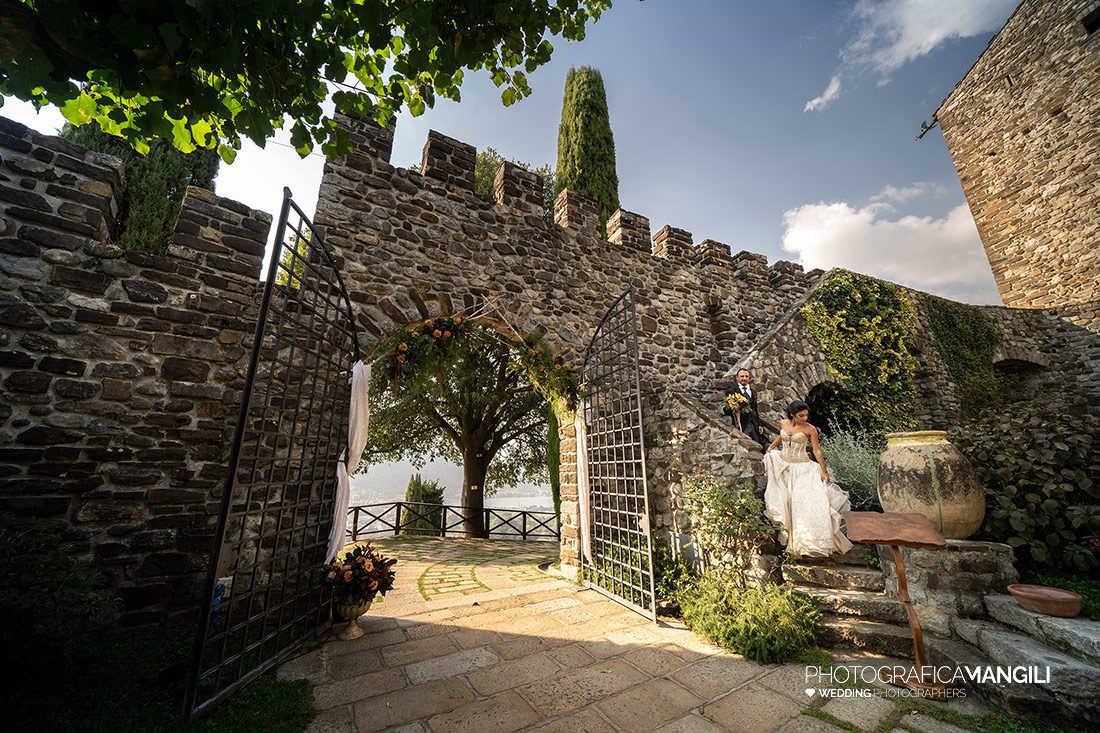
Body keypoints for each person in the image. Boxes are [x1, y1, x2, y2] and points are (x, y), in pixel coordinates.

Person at [763, 400, 853, 556]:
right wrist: (771, 447)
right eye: (801, 415)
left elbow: (817, 451)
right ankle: (788, 538)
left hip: (802, 468)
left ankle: (804, 543)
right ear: (792, 414)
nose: (805, 418)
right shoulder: (783, 423)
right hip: (784, 465)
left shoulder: (811, 429)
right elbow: (782, 437)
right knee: (785, 500)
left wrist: (824, 472)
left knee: (802, 502)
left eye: (806, 415)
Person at [723, 368, 767, 447]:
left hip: (753, 424)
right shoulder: (731, 391)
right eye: (742, 376)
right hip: (740, 424)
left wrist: (759, 424)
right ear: (737, 378)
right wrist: (734, 408)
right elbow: (725, 409)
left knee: (758, 445)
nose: (744, 378)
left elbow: (755, 409)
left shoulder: (753, 391)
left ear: (749, 378)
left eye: (746, 376)